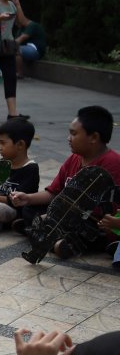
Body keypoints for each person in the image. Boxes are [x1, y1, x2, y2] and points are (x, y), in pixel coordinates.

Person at [12, 105, 120, 250]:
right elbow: (53, 193)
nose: (69, 138)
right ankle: (49, 235)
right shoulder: (74, 158)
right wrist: (28, 198)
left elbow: (104, 212)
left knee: (86, 226)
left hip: (94, 222)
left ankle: (52, 238)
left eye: (74, 134)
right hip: (66, 216)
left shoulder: (112, 163)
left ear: (94, 137)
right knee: (30, 209)